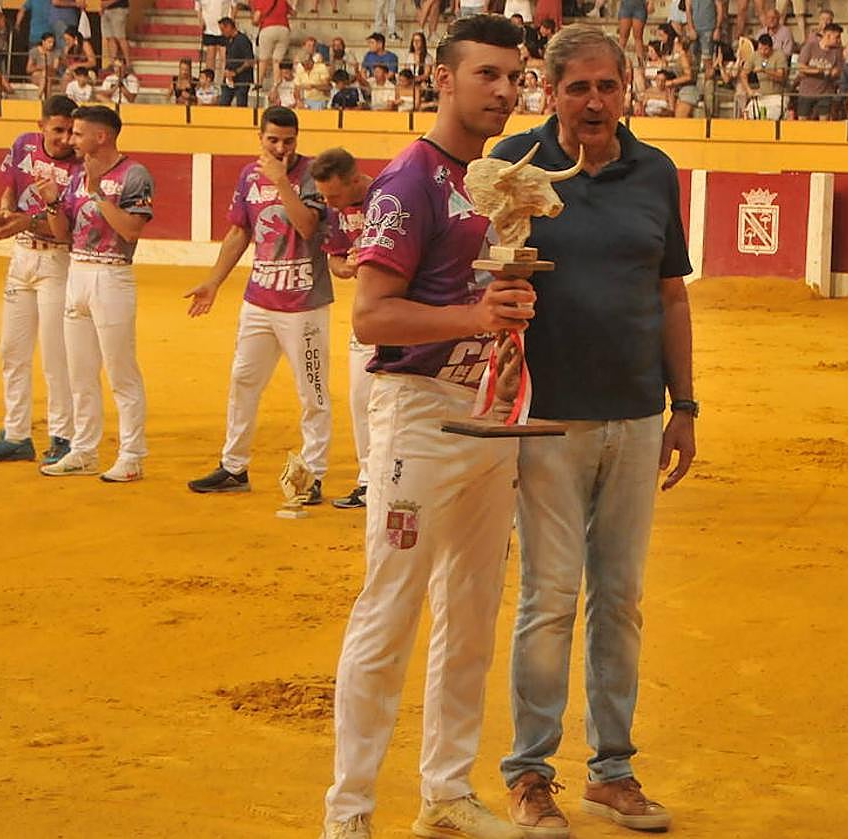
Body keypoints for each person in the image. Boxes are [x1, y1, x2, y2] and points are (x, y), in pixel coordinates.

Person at [320, 15, 532, 839]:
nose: (505, 92)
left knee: (473, 609)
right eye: (487, 75)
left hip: (489, 411)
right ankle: (349, 811)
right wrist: (477, 316)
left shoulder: (497, 180)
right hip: (419, 414)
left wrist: (499, 334)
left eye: (514, 77)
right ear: (442, 79)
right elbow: (371, 316)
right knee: (392, 607)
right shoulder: (409, 181)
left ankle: (445, 790)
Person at [486, 23, 694, 839]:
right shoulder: (516, 164)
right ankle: (530, 772)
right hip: (546, 416)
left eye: (608, 86)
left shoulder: (656, 171)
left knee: (621, 598)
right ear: (552, 93)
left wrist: (685, 404)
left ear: (626, 90)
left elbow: (670, 293)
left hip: (637, 414)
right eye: (579, 87)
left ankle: (612, 771)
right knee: (548, 596)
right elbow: (484, 276)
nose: (596, 101)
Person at [183, 106, 331, 502]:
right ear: (260, 137)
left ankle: (313, 474)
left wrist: (281, 182)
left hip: (304, 303)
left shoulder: (313, 174)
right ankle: (234, 466)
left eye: (289, 141)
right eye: (273, 140)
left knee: (312, 392)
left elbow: (308, 227)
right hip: (259, 301)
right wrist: (214, 281)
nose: (281, 148)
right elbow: (239, 233)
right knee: (243, 381)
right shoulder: (249, 175)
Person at [36, 105, 153, 482]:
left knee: (121, 373)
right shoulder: (77, 175)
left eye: (78, 133)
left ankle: (132, 455)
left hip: (112, 275)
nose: (71, 139)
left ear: (101, 136)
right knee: (80, 374)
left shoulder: (133, 174)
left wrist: (98, 193)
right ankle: (84, 450)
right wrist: (53, 202)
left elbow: (131, 230)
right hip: (78, 272)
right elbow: (63, 234)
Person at [0, 95, 80, 465]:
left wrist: (24, 221)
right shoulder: (23, 145)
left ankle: (64, 436)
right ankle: (16, 433)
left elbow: (67, 228)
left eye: (71, 131)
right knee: (12, 351)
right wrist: (6, 211)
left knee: (55, 355)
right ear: (41, 126)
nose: (66, 139)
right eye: (58, 130)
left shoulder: (82, 166)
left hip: (58, 261)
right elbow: (11, 189)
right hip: (22, 257)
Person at [309, 148, 372, 510]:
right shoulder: (336, 209)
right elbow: (335, 257)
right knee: (360, 398)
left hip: (401, 311)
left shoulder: (388, 198)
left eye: (333, 195)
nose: (328, 204)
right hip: (365, 310)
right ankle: (368, 480)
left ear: (355, 180)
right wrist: (344, 268)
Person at [797, 23, 844, 119]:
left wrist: (835, 72)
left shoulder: (837, 51)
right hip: (806, 92)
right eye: (837, 37)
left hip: (826, 93)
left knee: (824, 121)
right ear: (828, 36)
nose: (839, 40)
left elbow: (839, 70)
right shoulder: (810, 47)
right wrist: (820, 71)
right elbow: (801, 67)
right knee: (802, 120)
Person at [252, 0, 292, 91]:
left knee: (263, 59)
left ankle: (259, 84)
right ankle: (276, 86)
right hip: (284, 29)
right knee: (277, 60)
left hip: (267, 28)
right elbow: (293, 12)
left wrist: (254, 22)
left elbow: (257, 17)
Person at [218, 16, 254, 106]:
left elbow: (249, 61)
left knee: (241, 104)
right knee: (223, 103)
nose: (222, 33)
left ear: (229, 27)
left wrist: (236, 72)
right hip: (229, 78)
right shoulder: (228, 41)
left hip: (242, 79)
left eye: (223, 30)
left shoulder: (243, 40)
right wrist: (226, 71)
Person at [195, 0, 233, 73]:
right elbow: (198, 6)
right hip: (208, 28)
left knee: (224, 57)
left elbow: (234, 4)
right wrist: (200, 20)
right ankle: (210, 78)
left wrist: (231, 20)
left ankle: (225, 79)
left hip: (224, 28)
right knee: (210, 56)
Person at [27, 31, 62, 98]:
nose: (51, 44)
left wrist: (46, 69)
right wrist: (40, 67)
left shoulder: (56, 52)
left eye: (53, 42)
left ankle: (39, 97)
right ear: (43, 42)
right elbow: (28, 69)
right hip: (37, 75)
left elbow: (55, 68)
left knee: (47, 78)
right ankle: (47, 100)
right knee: (45, 77)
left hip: (51, 75)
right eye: (49, 42)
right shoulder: (34, 51)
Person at [101, 0, 131, 64]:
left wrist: (108, 2)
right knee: (110, 38)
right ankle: (113, 63)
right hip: (106, 10)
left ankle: (128, 63)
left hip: (118, 9)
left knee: (120, 37)